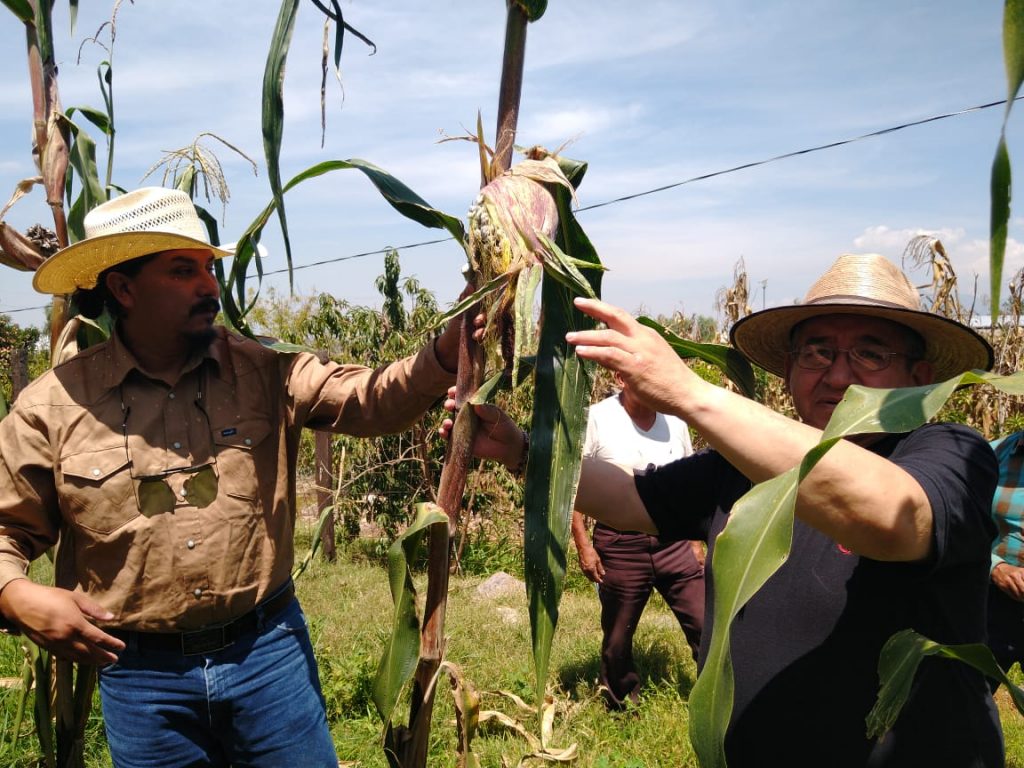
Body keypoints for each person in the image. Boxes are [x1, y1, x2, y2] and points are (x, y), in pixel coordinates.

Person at [445, 253, 1002, 767]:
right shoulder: (738, 467)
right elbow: (630, 499)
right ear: (789, 370)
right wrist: (524, 451)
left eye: (871, 353)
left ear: (920, 379)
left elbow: (896, 516)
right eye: (817, 351)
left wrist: (689, 393)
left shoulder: (951, 454)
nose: (837, 374)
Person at [0, 187, 466, 768]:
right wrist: (14, 594)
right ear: (123, 288)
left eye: (207, 267)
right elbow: (5, 532)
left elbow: (372, 400)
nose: (210, 286)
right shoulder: (54, 406)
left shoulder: (265, 369)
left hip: (267, 655)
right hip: (140, 675)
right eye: (182, 270)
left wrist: (447, 350)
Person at [570, 373, 704, 709]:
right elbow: (571, 484)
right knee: (617, 638)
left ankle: (716, 698)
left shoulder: (676, 422)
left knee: (705, 621)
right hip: (619, 544)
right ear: (619, 377)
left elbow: (690, 486)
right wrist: (584, 545)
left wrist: (695, 543)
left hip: (673, 541)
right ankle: (619, 703)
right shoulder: (597, 418)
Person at [987, 430, 1024, 679]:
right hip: (993, 602)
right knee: (970, 704)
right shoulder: (990, 456)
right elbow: (961, 527)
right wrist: (996, 568)